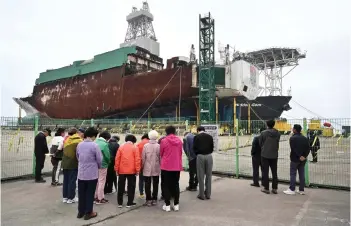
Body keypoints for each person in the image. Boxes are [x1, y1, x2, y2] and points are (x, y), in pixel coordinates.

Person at [76, 127, 102, 220]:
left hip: (81, 173)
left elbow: (78, 157)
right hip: (91, 174)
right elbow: (99, 159)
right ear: (93, 136)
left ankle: (80, 212)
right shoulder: (95, 146)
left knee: (81, 193)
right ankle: (88, 212)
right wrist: (97, 166)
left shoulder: (79, 144)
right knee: (90, 193)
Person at [160, 126, 182, 212]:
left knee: (166, 185)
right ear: (174, 131)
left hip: (166, 166)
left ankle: (167, 204)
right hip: (176, 166)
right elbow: (180, 153)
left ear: (166, 132)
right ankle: (176, 204)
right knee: (176, 184)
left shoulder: (164, 140)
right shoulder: (179, 141)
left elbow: (161, 153)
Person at [115, 134, 140, 208]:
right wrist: (137, 170)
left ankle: (120, 203)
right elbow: (137, 160)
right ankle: (130, 202)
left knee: (121, 186)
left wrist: (116, 169)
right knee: (131, 187)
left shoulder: (121, 147)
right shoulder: (135, 147)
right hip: (132, 170)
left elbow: (117, 159)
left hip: (122, 170)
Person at [284, 124, 310, 195]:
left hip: (295, 158)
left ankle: (292, 189)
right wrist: (304, 156)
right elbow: (308, 148)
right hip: (303, 159)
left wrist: (299, 156)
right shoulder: (305, 138)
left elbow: (293, 149)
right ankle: (301, 190)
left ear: (295, 130)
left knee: (293, 173)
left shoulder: (292, 138)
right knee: (302, 174)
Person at [259, 120, 281, 194]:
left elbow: (260, 143)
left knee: (265, 172)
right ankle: (274, 188)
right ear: (274, 124)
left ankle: (266, 188)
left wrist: (264, 148)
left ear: (267, 124)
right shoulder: (278, 133)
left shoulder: (263, 133)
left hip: (265, 154)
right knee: (274, 172)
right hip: (274, 155)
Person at [62, 128, 83, 204]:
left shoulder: (67, 140)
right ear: (77, 133)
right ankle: (71, 197)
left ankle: (65, 197)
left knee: (66, 180)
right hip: (73, 163)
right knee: (72, 181)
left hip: (65, 163)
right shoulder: (79, 141)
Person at [193, 126, 214, 200]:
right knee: (209, 175)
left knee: (200, 176)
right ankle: (208, 194)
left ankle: (201, 195)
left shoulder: (196, 137)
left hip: (200, 156)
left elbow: (194, 148)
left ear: (198, 130)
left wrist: (198, 154)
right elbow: (212, 148)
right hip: (209, 156)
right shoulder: (210, 137)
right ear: (204, 130)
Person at [142, 130, 161, 206]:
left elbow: (143, 158)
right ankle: (154, 199)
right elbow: (160, 157)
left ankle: (148, 199)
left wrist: (142, 166)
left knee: (147, 184)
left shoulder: (145, 146)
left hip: (147, 166)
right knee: (155, 184)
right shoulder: (159, 146)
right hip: (156, 166)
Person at [94, 131, 111, 204]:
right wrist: (108, 162)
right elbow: (107, 156)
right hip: (103, 165)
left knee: (96, 181)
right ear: (107, 138)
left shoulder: (95, 142)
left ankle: (95, 196)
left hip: (94, 164)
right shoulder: (105, 144)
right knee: (101, 181)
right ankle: (100, 198)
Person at [137, 133, 149, 199]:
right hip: (149, 165)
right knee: (149, 180)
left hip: (141, 164)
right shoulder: (151, 143)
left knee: (141, 180)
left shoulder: (139, 144)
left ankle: (141, 193)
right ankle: (149, 193)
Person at [158, 135, 166, 200]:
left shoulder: (160, 148)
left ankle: (164, 195)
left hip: (164, 166)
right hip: (173, 166)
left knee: (164, 182)